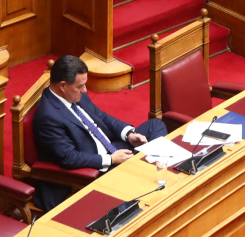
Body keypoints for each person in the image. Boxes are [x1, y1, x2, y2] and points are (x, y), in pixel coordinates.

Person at [32, 55, 168, 211]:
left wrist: (128, 134)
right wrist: (111, 159)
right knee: (140, 172)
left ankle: (146, 171)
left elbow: (100, 117)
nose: (85, 90)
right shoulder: (48, 116)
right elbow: (70, 158)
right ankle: (148, 175)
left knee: (155, 125)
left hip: (112, 148)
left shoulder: (74, 93)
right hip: (97, 166)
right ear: (63, 86)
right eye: (80, 86)